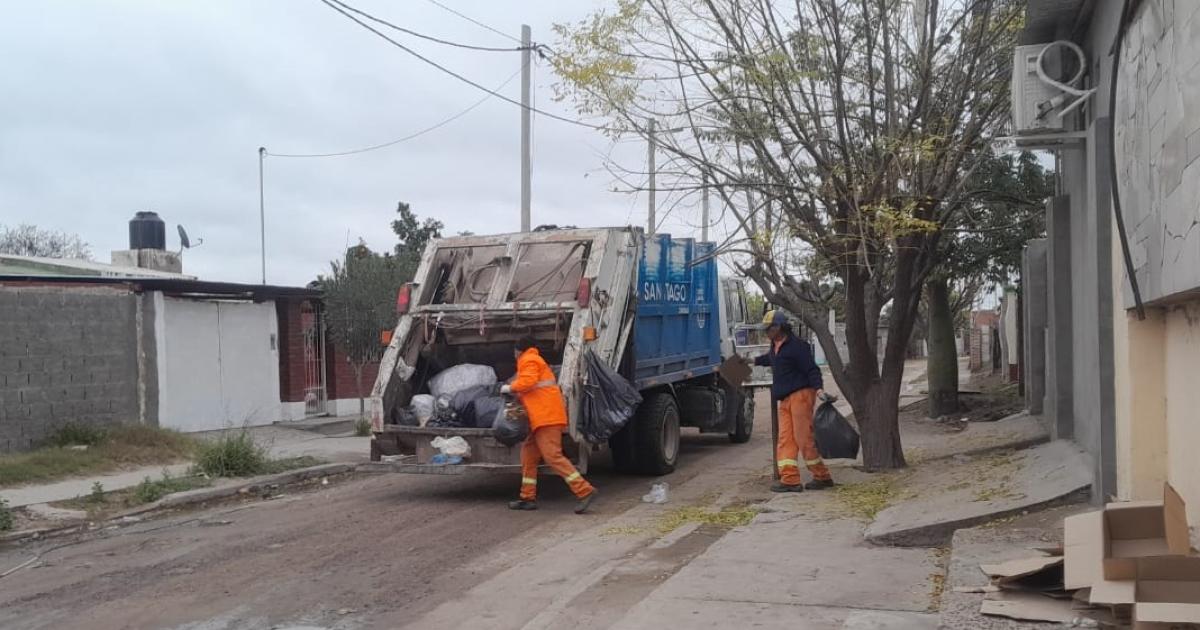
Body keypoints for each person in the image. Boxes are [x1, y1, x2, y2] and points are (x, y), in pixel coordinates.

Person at [501, 336, 597, 513]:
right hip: (540, 418)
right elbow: (534, 390)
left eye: (514, 351)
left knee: (553, 456)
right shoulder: (534, 360)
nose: (514, 354)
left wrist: (510, 388)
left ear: (518, 350)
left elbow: (528, 382)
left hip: (547, 418)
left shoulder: (529, 360)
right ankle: (527, 497)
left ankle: (584, 490)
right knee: (528, 456)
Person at [754, 311, 834, 492]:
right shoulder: (775, 346)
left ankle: (822, 476)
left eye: (769, 329)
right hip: (785, 398)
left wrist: (819, 389)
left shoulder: (798, 347)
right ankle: (790, 480)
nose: (766, 332)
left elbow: (812, 370)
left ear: (779, 327)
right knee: (785, 439)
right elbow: (771, 359)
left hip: (801, 395)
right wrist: (753, 360)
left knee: (803, 438)